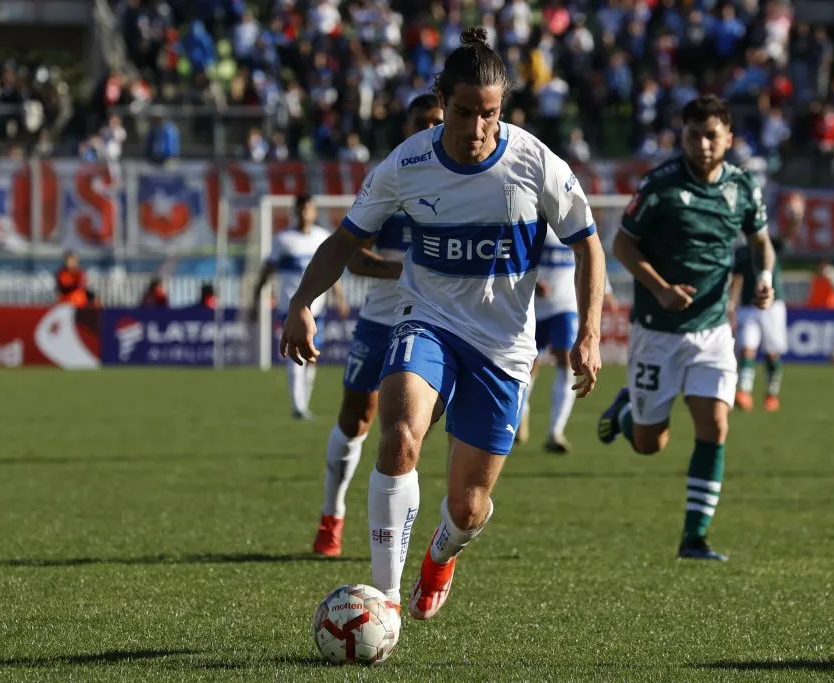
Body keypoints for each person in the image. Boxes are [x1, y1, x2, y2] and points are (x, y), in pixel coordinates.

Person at [280, 27, 605, 621]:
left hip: (504, 346)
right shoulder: (407, 163)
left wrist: (588, 333)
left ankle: (443, 551)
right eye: (463, 112)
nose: (477, 127)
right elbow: (346, 239)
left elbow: (588, 245)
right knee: (400, 435)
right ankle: (386, 600)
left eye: (490, 113)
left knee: (470, 505)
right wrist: (304, 298)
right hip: (424, 320)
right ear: (442, 103)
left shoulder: (536, 163)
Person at [597, 95, 776, 562]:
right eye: (693, 135)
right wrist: (658, 288)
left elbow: (760, 241)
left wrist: (764, 278)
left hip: (713, 330)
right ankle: (627, 414)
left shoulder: (742, 187)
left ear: (729, 139)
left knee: (715, 426)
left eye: (711, 135)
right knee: (649, 445)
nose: (701, 145)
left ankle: (694, 539)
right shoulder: (659, 185)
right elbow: (622, 244)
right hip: (657, 330)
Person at [313, 94, 445, 557]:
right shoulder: (393, 179)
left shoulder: (466, 184)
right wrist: (402, 269)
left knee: (410, 430)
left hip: (436, 322)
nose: (429, 129)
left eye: (437, 122)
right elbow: (353, 254)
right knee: (356, 416)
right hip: (379, 319)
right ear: (407, 126)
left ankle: (399, 531)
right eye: (421, 122)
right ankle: (332, 516)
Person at [517, 230, 617, 453]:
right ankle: (520, 414)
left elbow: (592, 254)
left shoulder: (575, 219)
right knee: (527, 364)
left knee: (567, 360)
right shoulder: (537, 221)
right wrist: (534, 283)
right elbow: (516, 257)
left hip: (566, 305)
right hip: (532, 306)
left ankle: (555, 431)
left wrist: (606, 290)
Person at [252, 195, 350, 420]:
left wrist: (340, 297)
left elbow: (331, 270)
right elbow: (267, 270)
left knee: (312, 357)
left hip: (317, 309)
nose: (305, 212)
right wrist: (256, 296)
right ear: (295, 212)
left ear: (315, 212)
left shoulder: (322, 237)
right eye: (301, 208)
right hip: (291, 308)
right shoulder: (282, 240)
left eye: (309, 208)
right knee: (296, 355)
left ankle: (303, 402)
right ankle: (298, 406)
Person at [728, 237, 786, 412]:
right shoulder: (741, 251)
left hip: (772, 305)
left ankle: (771, 394)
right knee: (747, 348)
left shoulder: (772, 243)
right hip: (748, 305)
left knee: (771, 353)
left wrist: (795, 218)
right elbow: (737, 278)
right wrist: (731, 304)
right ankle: (744, 392)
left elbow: (788, 235)